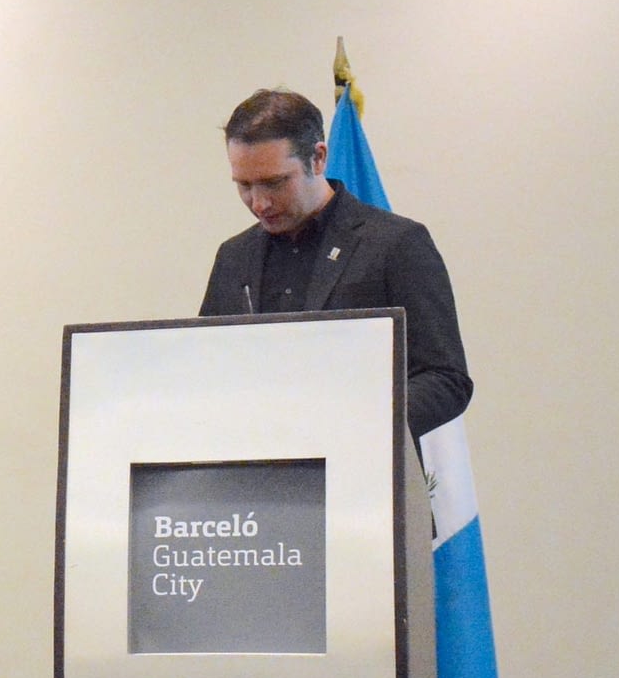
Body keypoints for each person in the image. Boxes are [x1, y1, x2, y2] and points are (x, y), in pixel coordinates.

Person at [199, 87, 472, 440]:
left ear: (318, 158)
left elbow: (446, 379)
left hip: (365, 473)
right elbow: (205, 371)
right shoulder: (233, 257)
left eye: (274, 183)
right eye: (244, 186)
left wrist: (354, 422)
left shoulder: (396, 244)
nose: (259, 202)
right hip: (253, 475)